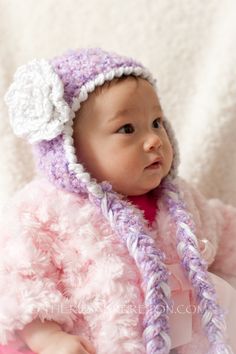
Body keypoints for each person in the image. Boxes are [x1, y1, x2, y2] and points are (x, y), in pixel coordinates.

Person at [0, 48, 236, 354]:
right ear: (71, 149)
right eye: (127, 129)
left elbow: (225, 232)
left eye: (156, 122)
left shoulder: (181, 201)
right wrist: (48, 339)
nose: (154, 139)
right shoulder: (44, 211)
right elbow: (19, 279)